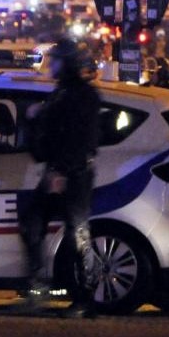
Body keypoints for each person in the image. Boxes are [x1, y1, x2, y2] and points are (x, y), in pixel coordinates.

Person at [20, 37, 102, 318]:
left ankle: (84, 299)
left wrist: (62, 171)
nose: (49, 64)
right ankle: (40, 287)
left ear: (66, 64)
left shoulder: (77, 96)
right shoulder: (65, 92)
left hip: (72, 174)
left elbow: (75, 137)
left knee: (77, 234)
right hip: (62, 171)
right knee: (33, 222)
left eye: (54, 60)